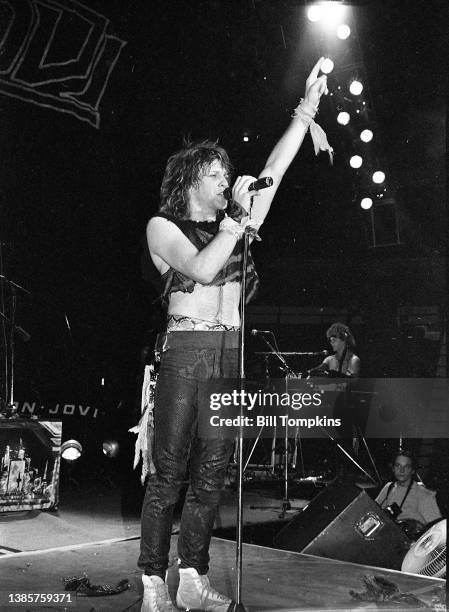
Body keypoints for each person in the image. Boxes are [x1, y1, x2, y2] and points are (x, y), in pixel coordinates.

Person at [138, 57, 331, 612]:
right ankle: (153, 581)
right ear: (192, 181)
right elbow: (200, 269)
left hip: (228, 350)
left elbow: (277, 164)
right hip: (187, 349)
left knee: (213, 473)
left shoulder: (241, 219)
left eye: (228, 172)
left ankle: (192, 576)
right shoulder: (164, 226)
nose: (228, 178)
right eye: (217, 173)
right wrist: (235, 218)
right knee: (169, 470)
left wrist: (307, 106)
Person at [376, 449, 442, 539]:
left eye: (406, 466)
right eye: (398, 465)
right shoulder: (389, 487)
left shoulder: (423, 494)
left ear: (412, 470)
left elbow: (438, 529)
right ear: (393, 468)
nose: (401, 470)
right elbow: (373, 511)